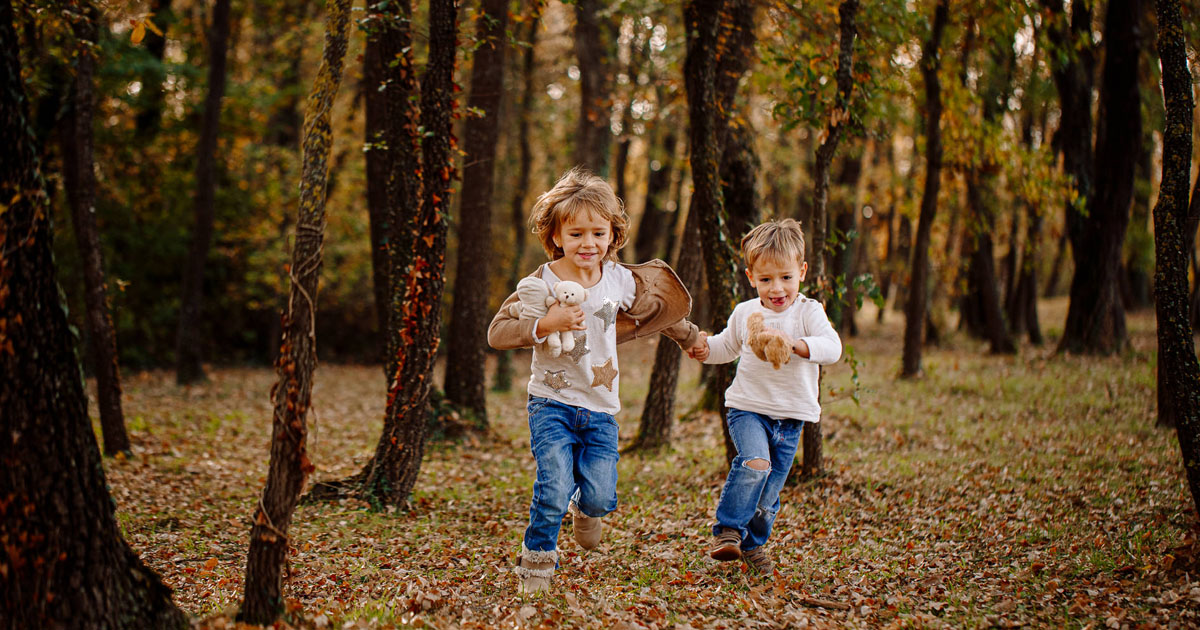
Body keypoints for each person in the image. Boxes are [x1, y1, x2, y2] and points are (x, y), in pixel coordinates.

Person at [488, 167, 703, 594]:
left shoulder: (621, 280)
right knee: (553, 485)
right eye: (576, 234)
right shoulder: (540, 283)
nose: (588, 243)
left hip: (601, 407)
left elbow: (655, 311)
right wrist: (545, 324)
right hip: (550, 402)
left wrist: (693, 338)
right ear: (556, 237)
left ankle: (584, 509)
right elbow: (497, 332)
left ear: (613, 235)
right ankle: (536, 564)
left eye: (598, 234)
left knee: (602, 496)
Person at [688, 218, 842, 575]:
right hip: (748, 408)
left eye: (786, 277)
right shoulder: (746, 313)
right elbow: (725, 347)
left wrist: (798, 345)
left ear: (801, 272)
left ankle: (754, 544)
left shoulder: (808, 311)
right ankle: (727, 530)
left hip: (791, 417)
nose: (777, 288)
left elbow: (832, 347)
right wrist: (703, 349)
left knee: (769, 494)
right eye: (766, 279)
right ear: (750, 277)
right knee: (756, 463)